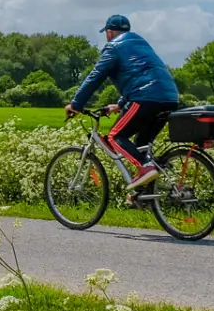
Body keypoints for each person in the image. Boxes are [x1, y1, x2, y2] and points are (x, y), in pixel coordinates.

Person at [65, 14, 181, 189]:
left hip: (145, 98)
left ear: (110, 32)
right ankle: (147, 193)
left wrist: (76, 104)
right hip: (170, 99)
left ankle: (144, 168)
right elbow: (140, 75)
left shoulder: (113, 47)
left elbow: (95, 77)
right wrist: (119, 105)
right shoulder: (141, 44)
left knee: (115, 137)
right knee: (141, 144)